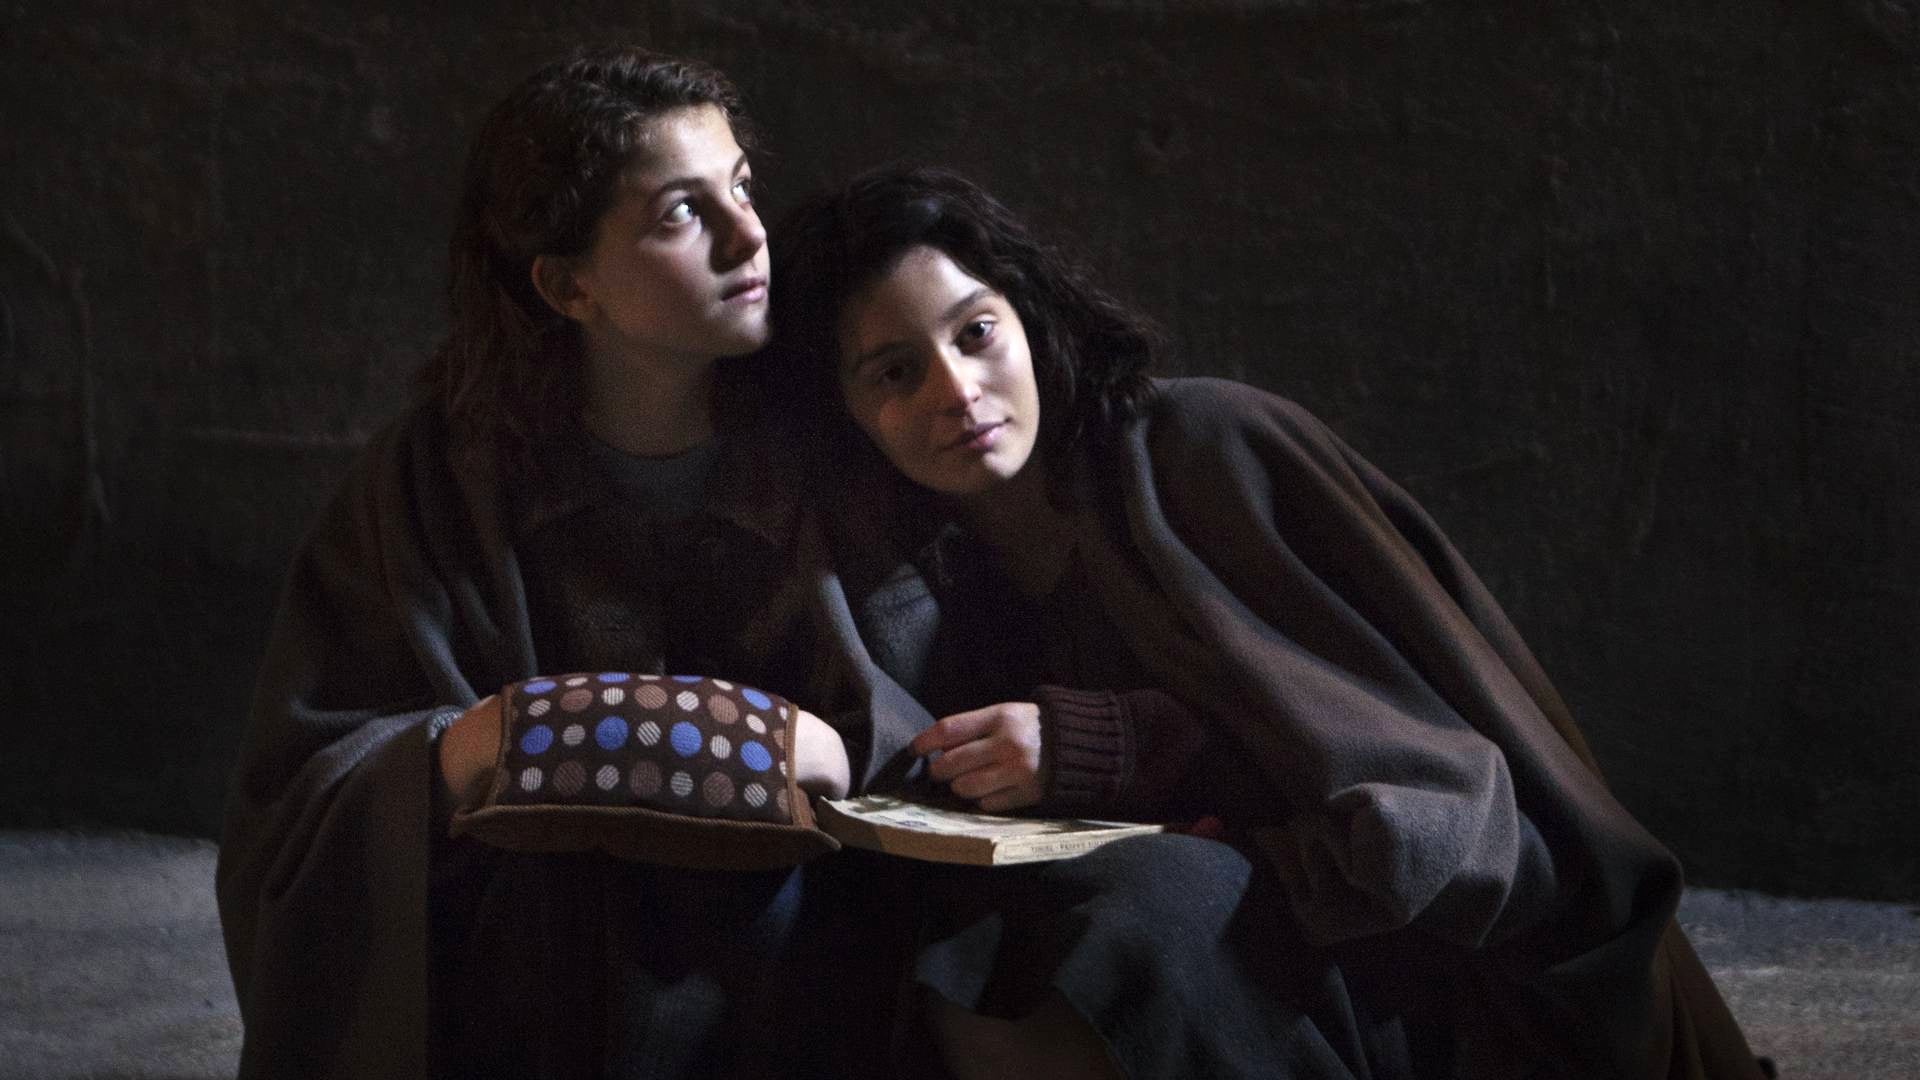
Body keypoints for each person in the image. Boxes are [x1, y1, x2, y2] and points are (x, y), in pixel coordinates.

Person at [765, 165, 1771, 1079]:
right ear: (842, 409)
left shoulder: (1205, 453)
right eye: (894, 373)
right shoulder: (924, 567)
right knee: (949, 953)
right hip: (1252, 958)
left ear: (1026, 315)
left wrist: (1120, 749)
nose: (957, 390)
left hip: (1460, 969)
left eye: (976, 332)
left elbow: (1434, 827)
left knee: (1141, 915)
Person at [215, 48, 930, 1079]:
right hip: (529, 938)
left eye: (741, 187)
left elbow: (917, 709)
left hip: (800, 925)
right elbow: (304, 792)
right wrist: (468, 748)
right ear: (567, 284)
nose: (748, 236)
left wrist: (825, 750)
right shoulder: (434, 481)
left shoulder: (833, 438)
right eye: (682, 213)